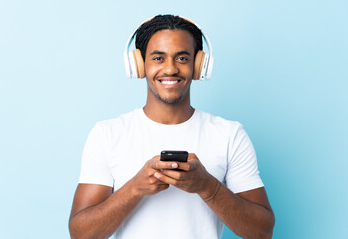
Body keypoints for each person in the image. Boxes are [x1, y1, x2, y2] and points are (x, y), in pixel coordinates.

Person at [69, 14, 275, 239]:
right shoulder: (107, 134)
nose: (170, 69)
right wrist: (135, 188)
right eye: (158, 58)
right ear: (139, 65)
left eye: (182, 58)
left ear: (198, 65)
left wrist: (208, 187)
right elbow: (80, 234)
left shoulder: (229, 135)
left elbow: (262, 232)